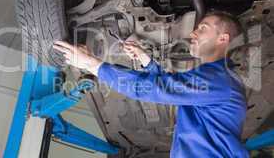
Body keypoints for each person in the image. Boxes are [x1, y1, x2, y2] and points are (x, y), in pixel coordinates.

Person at [53, 11, 249, 158]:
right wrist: (147, 61)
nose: (193, 33)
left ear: (223, 39)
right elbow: (170, 88)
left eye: (202, 28)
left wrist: (92, 64)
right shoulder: (217, 78)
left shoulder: (220, 80)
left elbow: (158, 90)